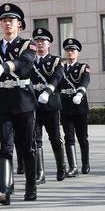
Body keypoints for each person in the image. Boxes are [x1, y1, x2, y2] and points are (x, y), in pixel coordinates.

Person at [0, 3, 38, 205]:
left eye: (10, 21)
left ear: (19, 25)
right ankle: (4, 189)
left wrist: (5, 66)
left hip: (23, 100)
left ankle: (31, 187)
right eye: (4, 20)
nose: (6, 23)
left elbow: (25, 62)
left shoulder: (28, 44)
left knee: (26, 147)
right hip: (3, 100)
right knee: (5, 147)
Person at [30, 28, 66, 182]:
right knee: (35, 139)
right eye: (37, 41)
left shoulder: (56, 61)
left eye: (42, 41)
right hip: (33, 105)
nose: (39, 44)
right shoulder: (29, 60)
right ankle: (40, 173)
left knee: (55, 138)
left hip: (50, 104)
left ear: (49, 44)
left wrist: (48, 91)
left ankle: (61, 167)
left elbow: (57, 77)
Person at [59, 38, 92, 176]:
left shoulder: (83, 67)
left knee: (82, 137)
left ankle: (85, 163)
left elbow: (85, 81)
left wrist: (80, 93)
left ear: (78, 53)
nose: (70, 52)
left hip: (79, 106)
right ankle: (73, 167)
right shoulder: (60, 67)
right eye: (68, 50)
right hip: (65, 105)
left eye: (73, 50)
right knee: (68, 137)